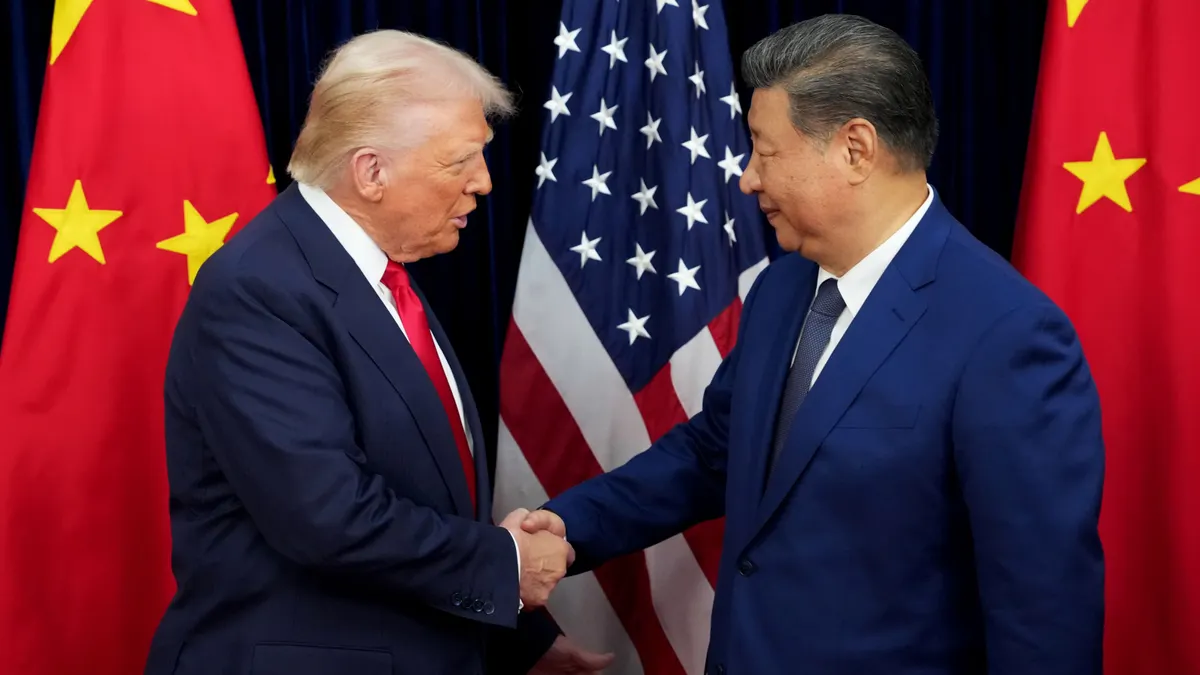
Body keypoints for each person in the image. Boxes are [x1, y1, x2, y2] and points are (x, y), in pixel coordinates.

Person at [521, 14, 1105, 675]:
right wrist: (569, 527)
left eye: (765, 152)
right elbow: (717, 451)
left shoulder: (1007, 334)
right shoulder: (785, 285)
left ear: (856, 148)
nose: (747, 178)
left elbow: (1043, 607)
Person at [143, 30, 613, 675]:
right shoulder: (261, 289)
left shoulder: (372, 273)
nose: (483, 183)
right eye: (461, 160)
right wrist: (504, 565)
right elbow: (326, 516)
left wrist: (519, 643)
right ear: (371, 172)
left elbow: (418, 490)